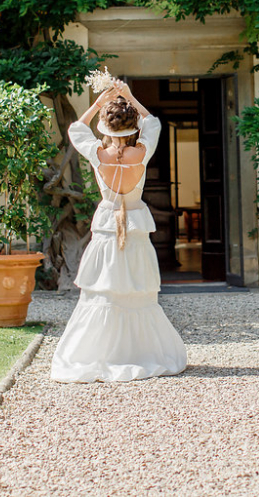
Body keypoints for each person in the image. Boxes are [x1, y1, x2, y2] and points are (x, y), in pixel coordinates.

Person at [51, 80, 187, 382]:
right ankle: (140, 354)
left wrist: (100, 102)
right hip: (135, 226)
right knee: (136, 292)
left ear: (106, 128)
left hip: (107, 226)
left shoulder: (97, 154)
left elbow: (76, 128)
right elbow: (152, 122)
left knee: (105, 291)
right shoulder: (143, 152)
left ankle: (102, 353)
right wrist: (128, 96)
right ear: (131, 128)